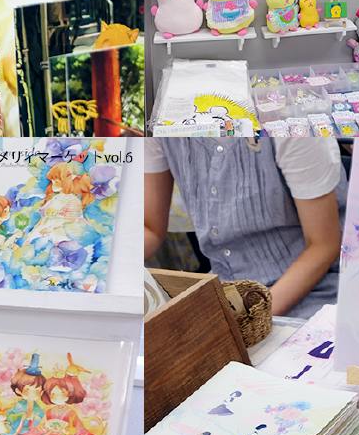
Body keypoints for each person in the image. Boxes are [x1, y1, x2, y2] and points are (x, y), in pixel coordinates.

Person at [139, 131, 342, 314]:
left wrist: (250, 317)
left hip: (313, 294)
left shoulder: (289, 125)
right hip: (226, 294)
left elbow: (323, 245)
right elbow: (151, 229)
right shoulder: (158, 123)